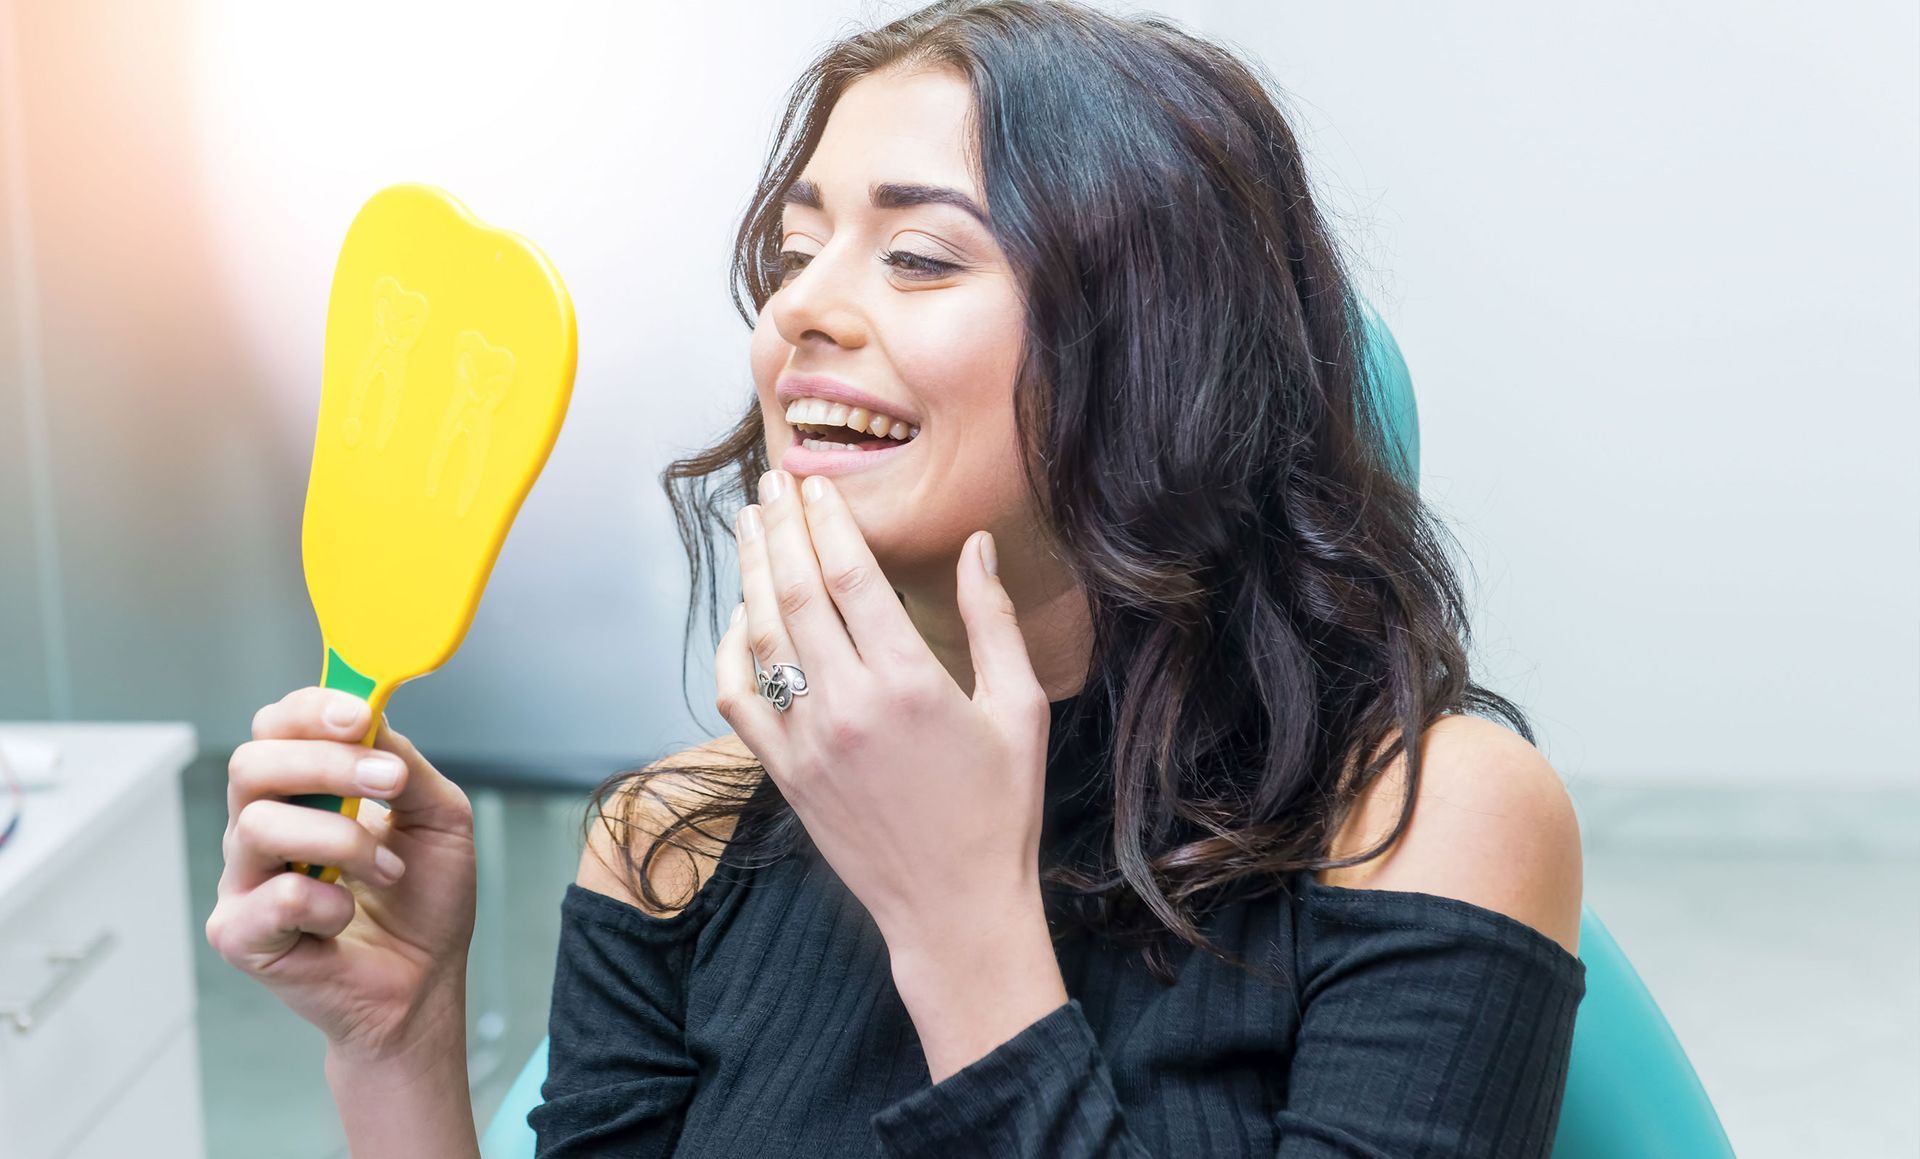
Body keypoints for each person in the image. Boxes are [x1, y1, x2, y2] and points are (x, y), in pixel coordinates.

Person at [207, 2, 1586, 1155]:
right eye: (797, 252)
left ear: (1161, 352)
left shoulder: (1418, 816)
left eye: (919, 255)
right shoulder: (670, 840)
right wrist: (395, 1044)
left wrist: (955, 922)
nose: (800, 306)